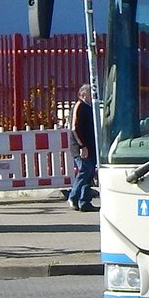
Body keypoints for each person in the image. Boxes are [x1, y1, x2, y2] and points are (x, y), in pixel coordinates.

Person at [69, 83, 97, 212]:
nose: (93, 96)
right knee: (85, 171)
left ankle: (85, 201)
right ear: (83, 94)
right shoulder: (79, 106)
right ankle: (74, 197)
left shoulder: (89, 107)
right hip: (82, 147)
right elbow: (75, 128)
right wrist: (82, 146)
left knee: (89, 172)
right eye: (90, 93)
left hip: (90, 146)